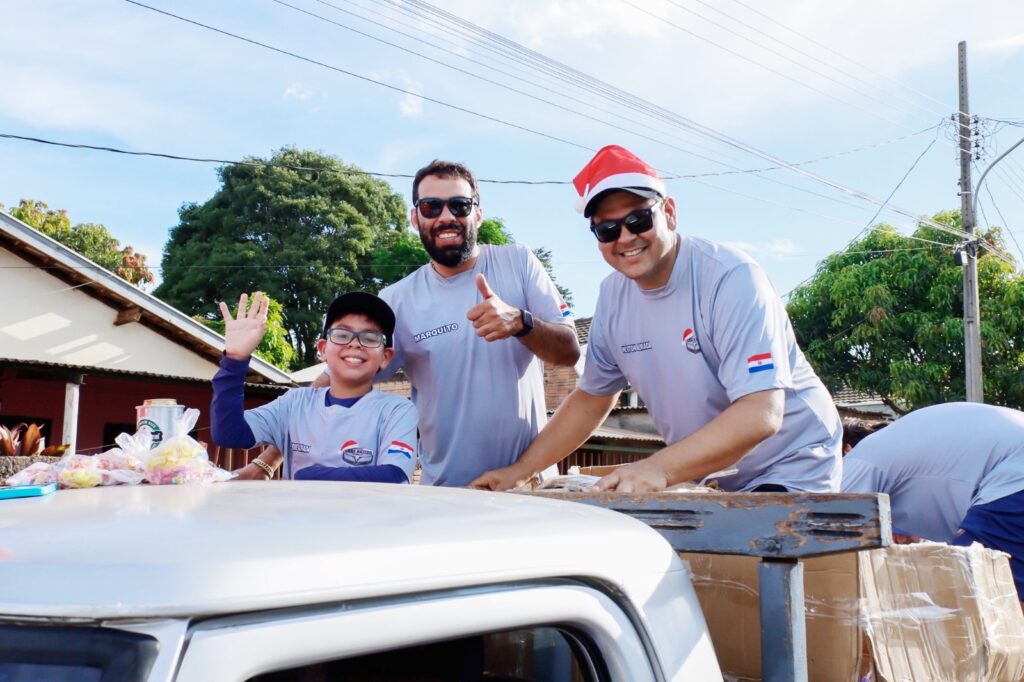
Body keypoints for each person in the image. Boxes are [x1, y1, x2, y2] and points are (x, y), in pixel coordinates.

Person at [471, 144, 841, 493]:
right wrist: (519, 472)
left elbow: (761, 412)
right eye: (608, 229)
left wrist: (658, 468)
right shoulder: (612, 296)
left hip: (790, 465)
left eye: (638, 219)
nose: (626, 237)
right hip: (708, 475)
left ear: (669, 213)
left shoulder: (731, 277)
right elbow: (592, 399)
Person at [317, 159, 580, 487]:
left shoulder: (518, 262)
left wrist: (521, 323)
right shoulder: (397, 299)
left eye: (459, 205)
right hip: (446, 497)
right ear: (415, 218)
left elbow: (569, 352)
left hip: (527, 489)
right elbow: (338, 379)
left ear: (478, 214)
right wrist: (268, 461)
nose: (446, 217)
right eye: (431, 206)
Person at [211, 291, 417, 483]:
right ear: (323, 349)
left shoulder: (396, 411)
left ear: (386, 357)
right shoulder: (294, 403)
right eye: (342, 335)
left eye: (370, 338)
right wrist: (235, 360)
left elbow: (395, 474)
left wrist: (309, 476)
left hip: (365, 522)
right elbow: (229, 434)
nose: (355, 344)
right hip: (298, 520)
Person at [842, 402, 1024, 603]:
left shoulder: (858, 463)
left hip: (1014, 477)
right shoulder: (902, 448)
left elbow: (832, 543)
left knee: (970, 587)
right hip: (1010, 470)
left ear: (846, 449)